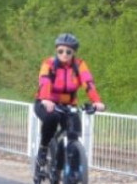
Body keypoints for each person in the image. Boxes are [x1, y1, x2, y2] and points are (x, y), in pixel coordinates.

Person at [32, 33, 104, 176]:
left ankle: (73, 175)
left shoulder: (79, 65)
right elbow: (44, 80)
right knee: (52, 118)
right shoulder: (49, 64)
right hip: (45, 103)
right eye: (60, 51)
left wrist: (96, 101)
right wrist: (46, 99)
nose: (64, 54)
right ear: (56, 51)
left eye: (68, 52)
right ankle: (43, 148)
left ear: (73, 53)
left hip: (66, 106)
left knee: (73, 134)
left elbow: (88, 83)